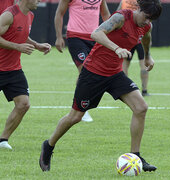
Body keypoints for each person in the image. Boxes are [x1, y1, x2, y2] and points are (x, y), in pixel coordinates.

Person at [39, 0, 162, 172]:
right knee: (75, 117)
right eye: (146, 17)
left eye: (151, 20)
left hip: (115, 74)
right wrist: (116, 48)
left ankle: (136, 156)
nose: (147, 22)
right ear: (139, 9)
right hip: (93, 73)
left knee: (141, 107)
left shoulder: (146, 26)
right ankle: (49, 145)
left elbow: (146, 39)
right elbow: (96, 33)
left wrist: (148, 56)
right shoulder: (120, 17)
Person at [0, 0, 51, 149]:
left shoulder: (30, 15)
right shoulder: (9, 15)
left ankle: (3, 140)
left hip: (13, 70)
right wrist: (17, 47)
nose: (39, 1)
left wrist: (37, 45)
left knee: (23, 104)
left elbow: (20, 32)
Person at [54, 0, 111, 122]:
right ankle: (82, 109)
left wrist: (110, 35)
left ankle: (80, 108)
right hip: (76, 37)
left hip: (95, 37)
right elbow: (59, 13)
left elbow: (106, 14)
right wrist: (59, 37)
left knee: (89, 73)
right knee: (85, 70)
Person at [117, 0, 151, 96]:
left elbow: (117, 13)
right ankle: (144, 90)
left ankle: (124, 88)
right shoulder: (143, 3)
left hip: (127, 36)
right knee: (143, 63)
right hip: (139, 35)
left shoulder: (124, 1)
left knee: (125, 64)